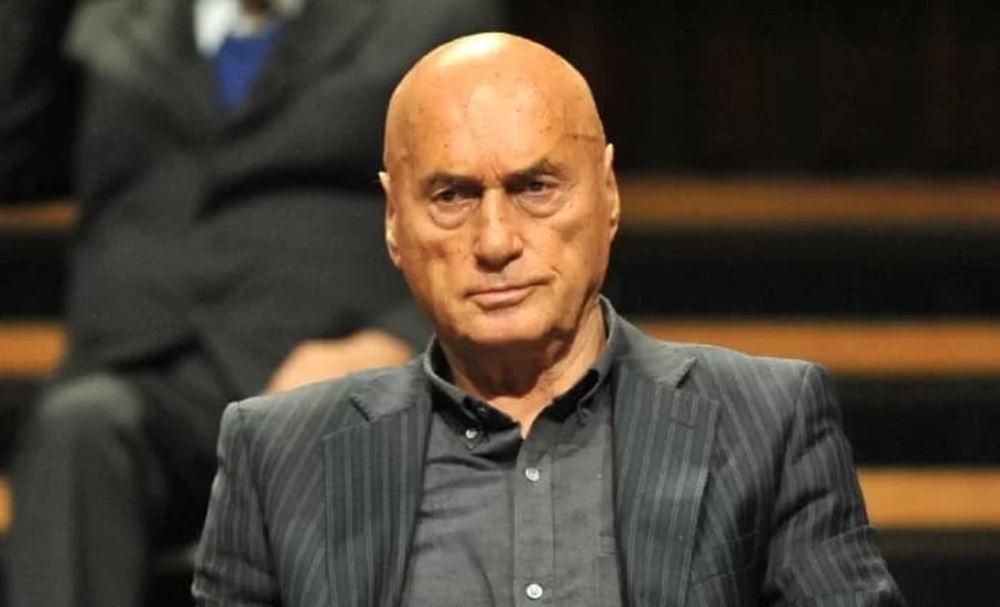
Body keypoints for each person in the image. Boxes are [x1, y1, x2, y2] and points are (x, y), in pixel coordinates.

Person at [192, 32, 905, 606]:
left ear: (608, 194)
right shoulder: (278, 455)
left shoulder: (768, 422)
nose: (496, 241)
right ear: (393, 221)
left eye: (535, 187)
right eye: (451, 196)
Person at [1, 0, 503, 605]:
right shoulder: (106, 22)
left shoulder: (428, 19)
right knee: (76, 429)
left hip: (328, 366)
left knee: (354, 448)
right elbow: (14, 159)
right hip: (138, 373)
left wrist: (400, 337)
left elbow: (492, 207)